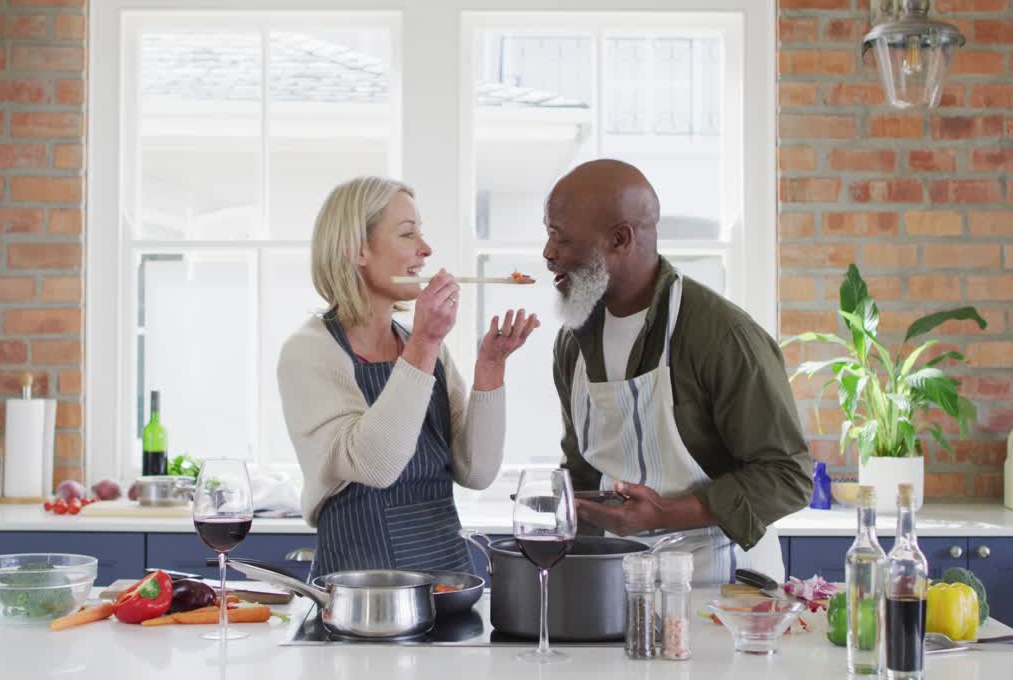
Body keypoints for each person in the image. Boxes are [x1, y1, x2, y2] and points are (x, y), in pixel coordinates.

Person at [544, 159, 812, 584]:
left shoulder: (722, 336)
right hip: (620, 580)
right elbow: (582, 466)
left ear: (620, 239)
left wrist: (666, 514)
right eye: (548, 235)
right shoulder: (572, 342)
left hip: (724, 586)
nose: (548, 253)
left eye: (561, 237)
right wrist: (561, 505)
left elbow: (788, 476)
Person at [278, 176, 539, 578]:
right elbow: (375, 466)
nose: (426, 249)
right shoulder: (310, 351)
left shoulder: (422, 346)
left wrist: (490, 368)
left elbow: (476, 471)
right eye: (407, 234)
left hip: (447, 579)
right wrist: (425, 341)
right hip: (361, 590)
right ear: (358, 250)